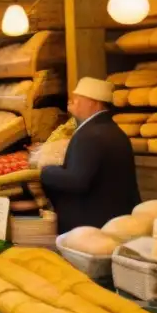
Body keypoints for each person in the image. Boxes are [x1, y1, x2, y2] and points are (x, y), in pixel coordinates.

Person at [41, 78, 140, 233]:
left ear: (94, 103)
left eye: (78, 99)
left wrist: (46, 170)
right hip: (113, 221)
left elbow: (76, 180)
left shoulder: (91, 134)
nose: (71, 101)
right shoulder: (114, 131)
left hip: (92, 226)